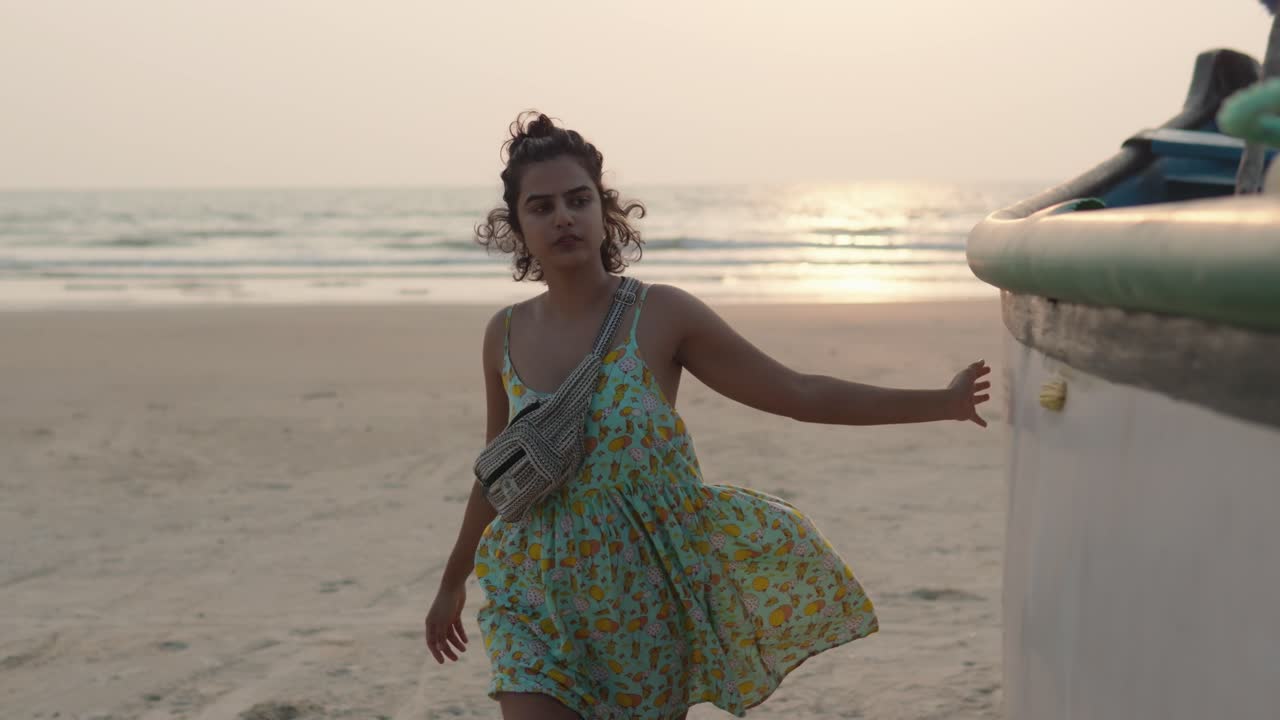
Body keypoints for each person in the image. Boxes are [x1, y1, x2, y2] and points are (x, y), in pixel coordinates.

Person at [425, 111, 991, 720]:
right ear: (518, 228)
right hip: (534, 591)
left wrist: (941, 403)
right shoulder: (503, 333)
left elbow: (797, 392)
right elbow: (497, 476)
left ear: (604, 210)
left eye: (578, 199)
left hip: (642, 594)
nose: (563, 216)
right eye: (541, 207)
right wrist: (452, 581)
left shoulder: (662, 316)